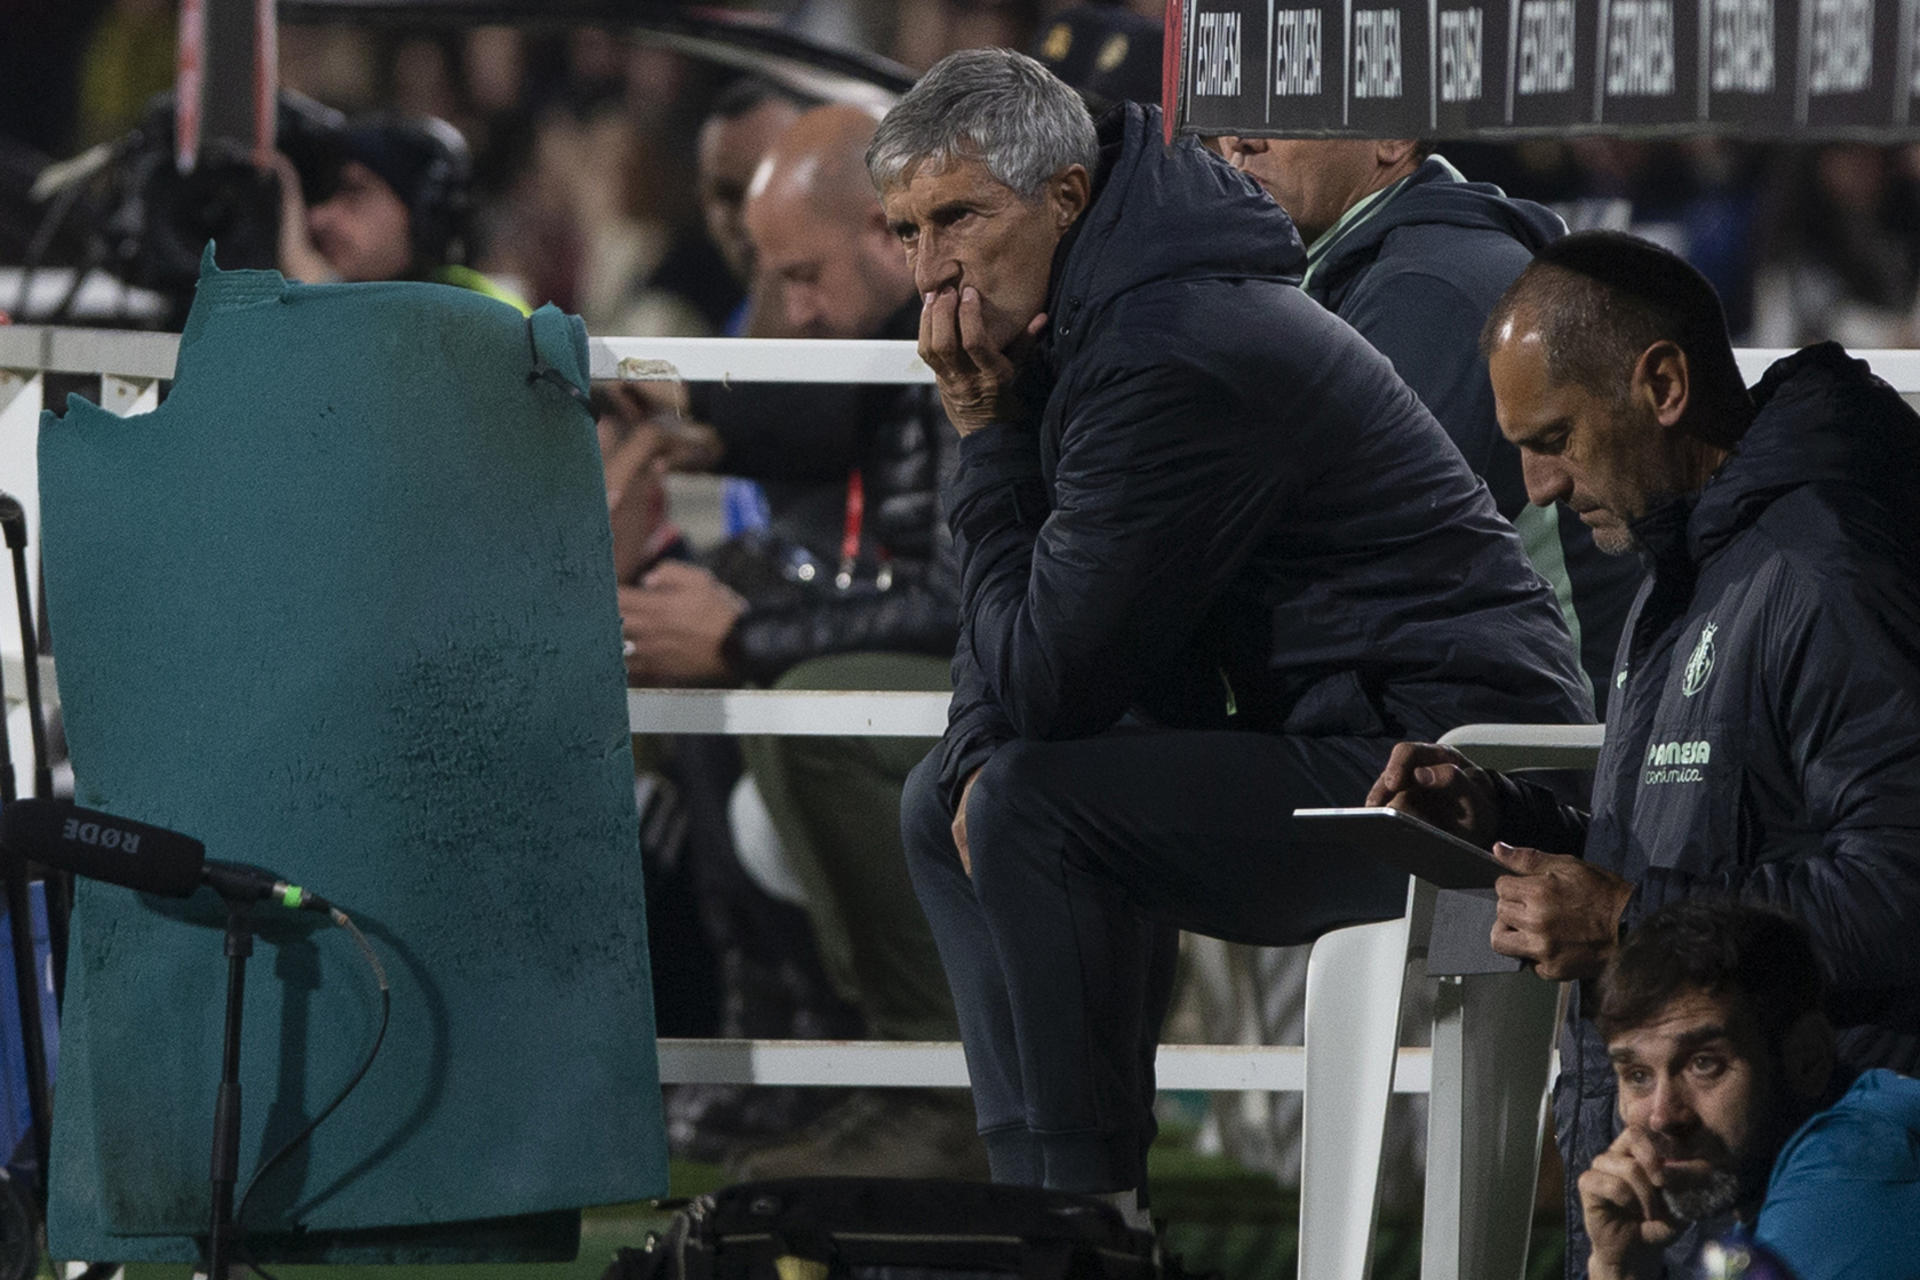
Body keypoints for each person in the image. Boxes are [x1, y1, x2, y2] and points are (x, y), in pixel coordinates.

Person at [873, 49, 1591, 1225]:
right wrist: (970, 745)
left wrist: (990, 434)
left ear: (1063, 194)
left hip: (1449, 766)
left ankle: (1085, 1215)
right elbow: (1044, 631)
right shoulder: (1097, 306)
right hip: (1328, 727)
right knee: (945, 796)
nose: (930, 267)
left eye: (959, 217)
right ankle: (1041, 1201)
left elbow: (1055, 673)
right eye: (903, 231)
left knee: (1033, 805)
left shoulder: (1168, 342)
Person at [1367, 230, 1920, 1277]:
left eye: (1557, 437)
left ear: (1662, 383)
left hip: (1814, 1187)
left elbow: (1899, 882)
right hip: (1687, 1194)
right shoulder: (1687, 562)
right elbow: (1699, 841)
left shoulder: (1823, 568)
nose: (1536, 485)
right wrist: (1511, 817)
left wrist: (1624, 918)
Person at [617, 103, 979, 1179]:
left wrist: (747, 640)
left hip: (1033, 708)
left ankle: (930, 1075)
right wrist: (668, 394)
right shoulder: (891, 331)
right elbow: (811, 411)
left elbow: (965, 602)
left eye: (803, 275)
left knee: (800, 705)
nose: (787, 309)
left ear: (887, 231)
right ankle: (782, 1042)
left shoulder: (974, 332)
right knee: (713, 652)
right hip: (967, 687)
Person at [1210, 135, 1641, 709]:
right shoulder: (1353, 267)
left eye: (1283, 107)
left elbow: (1343, 572)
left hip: (1526, 747)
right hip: (1431, 711)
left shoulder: (1431, 290)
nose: (1240, 139)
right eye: (1229, 107)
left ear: (1389, 137)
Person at [1583, 900, 1920, 1279]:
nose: (1661, 1115)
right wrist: (1620, 1266)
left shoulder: (1849, 1184)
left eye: (1703, 1064)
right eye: (1638, 1075)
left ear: (1807, 1057)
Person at [273, 111, 523, 309]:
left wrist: (308, 275)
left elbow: (381, 356)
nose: (317, 218)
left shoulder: (481, 311)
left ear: (424, 213)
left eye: (355, 194)